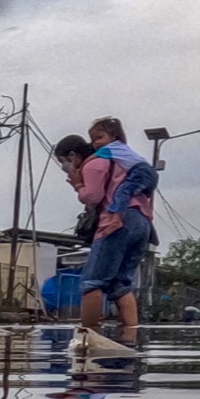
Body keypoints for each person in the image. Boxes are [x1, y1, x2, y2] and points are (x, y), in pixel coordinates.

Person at [67, 117, 155, 338]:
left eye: (64, 162)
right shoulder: (123, 160)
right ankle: (130, 338)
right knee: (121, 284)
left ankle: (88, 337)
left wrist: (78, 184)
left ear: (72, 157)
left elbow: (93, 196)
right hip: (142, 221)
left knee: (92, 282)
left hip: (118, 220)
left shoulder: (95, 162)